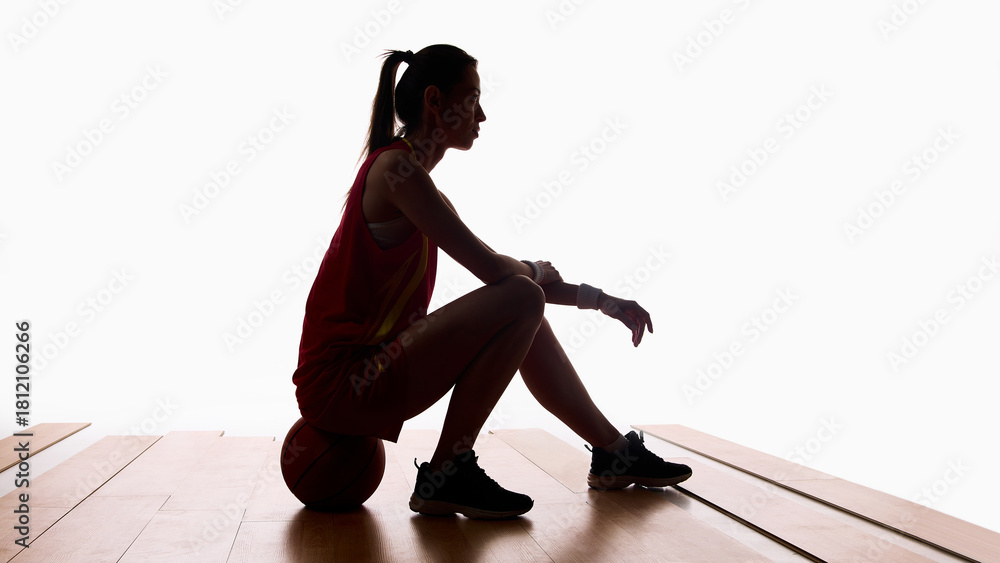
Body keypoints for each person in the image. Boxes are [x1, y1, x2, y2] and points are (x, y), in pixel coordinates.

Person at [291, 44, 691, 520]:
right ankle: (447, 470)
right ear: (435, 101)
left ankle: (612, 453)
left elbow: (508, 281)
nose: (482, 114)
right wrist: (533, 274)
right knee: (522, 296)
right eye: (473, 98)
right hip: (344, 383)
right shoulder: (396, 171)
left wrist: (600, 300)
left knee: (524, 307)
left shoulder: (415, 183)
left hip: (371, 371)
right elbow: (499, 274)